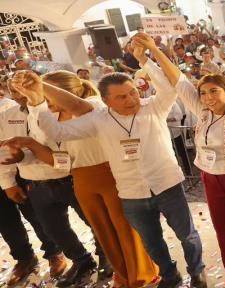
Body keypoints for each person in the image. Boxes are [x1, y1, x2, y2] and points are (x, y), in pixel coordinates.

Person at [19, 46, 208, 288]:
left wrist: (145, 60)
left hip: (167, 185)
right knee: (151, 241)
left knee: (187, 236)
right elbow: (57, 132)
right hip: (132, 194)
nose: (131, 100)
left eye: (132, 93)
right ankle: (170, 275)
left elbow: (167, 88)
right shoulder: (99, 119)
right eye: (122, 97)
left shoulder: (153, 107)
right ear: (105, 102)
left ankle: (197, 272)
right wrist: (37, 105)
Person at [135, 33, 225, 287]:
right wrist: (152, 52)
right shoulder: (200, 110)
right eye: (203, 93)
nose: (208, 97)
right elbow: (178, 80)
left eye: (214, 91)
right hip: (212, 180)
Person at [7, 70, 159, 288]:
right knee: (103, 232)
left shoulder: (95, 105)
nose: (46, 102)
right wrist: (29, 145)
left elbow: (78, 107)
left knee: (125, 230)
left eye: (49, 97)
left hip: (110, 175)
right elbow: (60, 160)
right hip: (80, 179)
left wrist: (41, 84)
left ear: (65, 92)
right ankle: (122, 275)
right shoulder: (51, 119)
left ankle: (142, 276)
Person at [0, 78, 103, 288]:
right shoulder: (7, 117)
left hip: (71, 177)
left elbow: (58, 150)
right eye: (14, 91)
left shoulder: (57, 108)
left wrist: (29, 149)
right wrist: (15, 168)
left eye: (23, 90)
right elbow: (12, 150)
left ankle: (107, 257)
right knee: (54, 230)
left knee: (94, 222)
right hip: (36, 182)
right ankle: (81, 260)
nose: (19, 95)